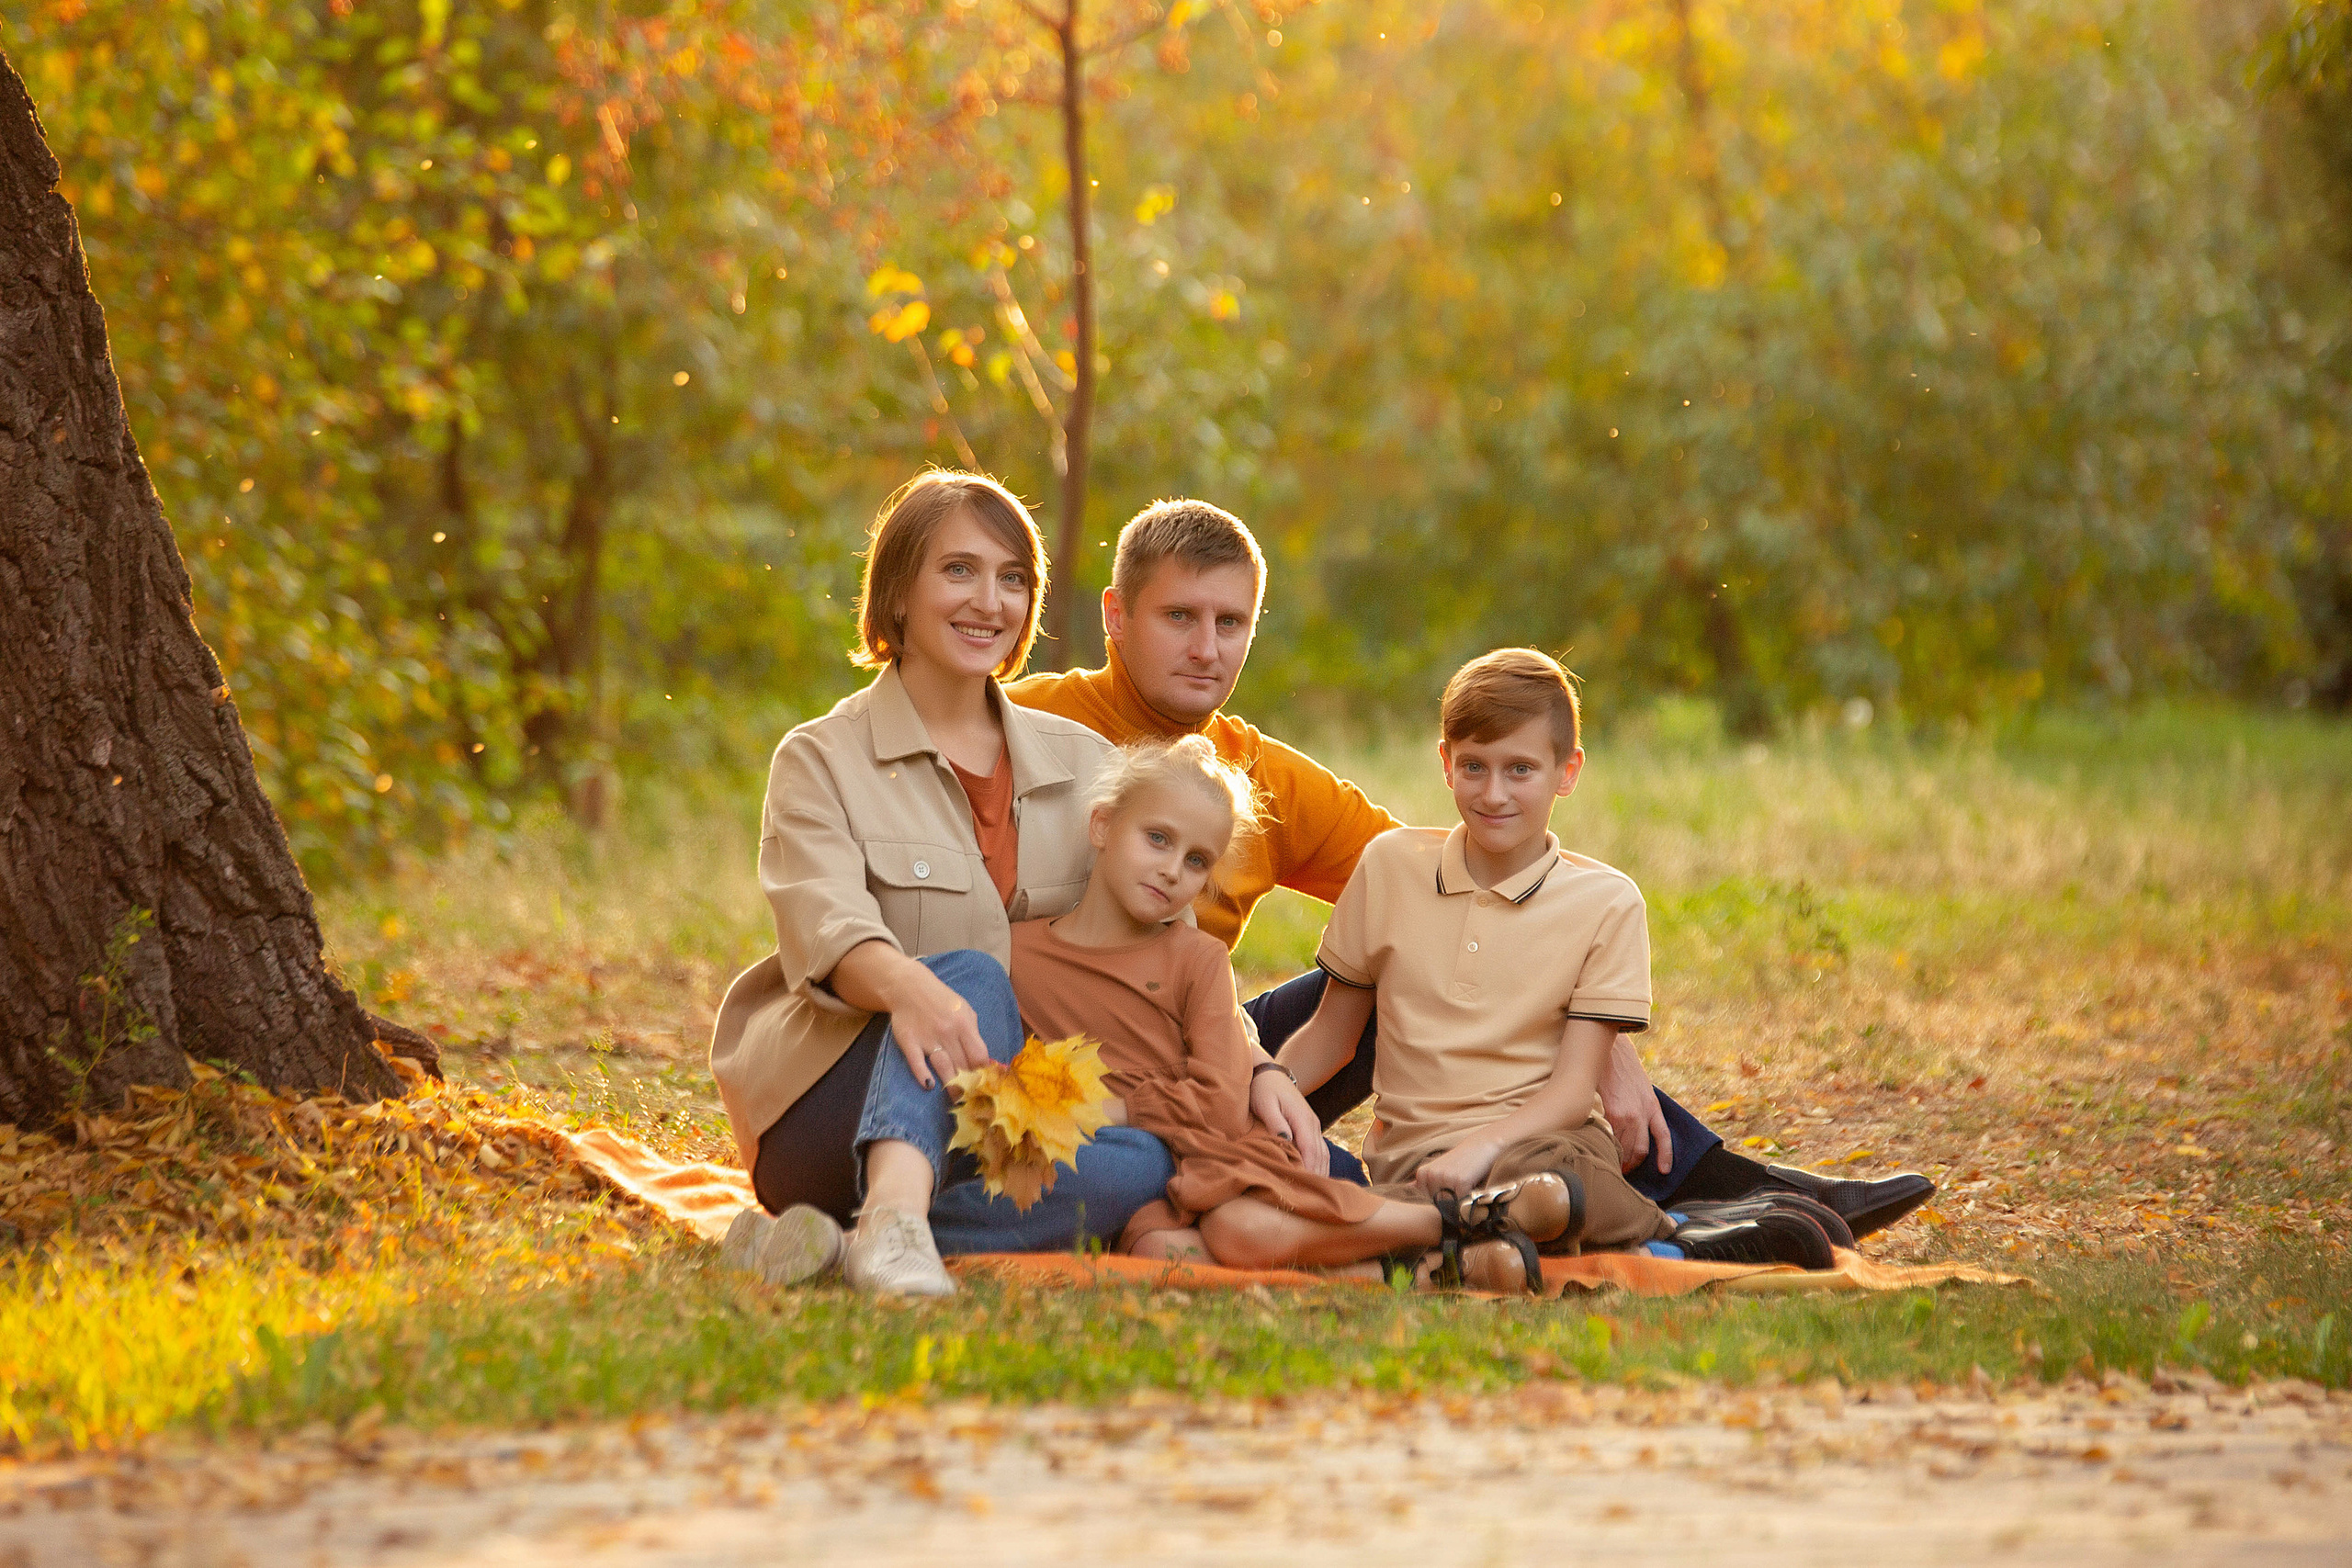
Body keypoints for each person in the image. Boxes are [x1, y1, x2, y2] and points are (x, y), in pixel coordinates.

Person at [1009, 500, 1935, 1235]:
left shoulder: (1258, 770)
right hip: (1064, 1037)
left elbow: (1450, 892)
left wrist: (1607, 1048)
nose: (1206, 649)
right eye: (1178, 618)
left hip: (1213, 1037)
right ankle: (1550, 1214)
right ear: (1115, 616)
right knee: (1327, 1190)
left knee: (1410, 969)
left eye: (1230, 622)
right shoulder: (1027, 725)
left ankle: (1711, 1183)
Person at [707, 471, 1175, 1298]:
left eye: (1012, 578)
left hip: (995, 1105)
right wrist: (910, 989)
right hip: (829, 1108)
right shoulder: (821, 757)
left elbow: (1156, 941)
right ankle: (887, 1214)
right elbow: (827, 923)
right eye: (958, 570)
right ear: (897, 592)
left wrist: (1260, 1068)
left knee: (1138, 1157)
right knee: (968, 974)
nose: (988, 600)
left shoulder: (1086, 764)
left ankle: (844, 1243)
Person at [1273, 649, 1849, 1278]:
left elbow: (1574, 1089)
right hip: (1415, 1167)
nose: (1493, 793)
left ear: (1566, 771)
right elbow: (1331, 1034)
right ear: (1445, 763)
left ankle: (1654, 1244)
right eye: (1474, 766)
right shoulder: (1389, 866)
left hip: (1543, 1146)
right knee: (1308, 1206)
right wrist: (1258, 1097)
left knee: (1551, 1184)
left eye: (1520, 769)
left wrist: (1481, 1148)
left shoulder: (1606, 902)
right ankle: (1600, 1241)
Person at [1010, 734, 1575, 1287]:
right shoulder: (1019, 954)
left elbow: (1223, 1096)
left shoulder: (1197, 958)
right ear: (1102, 825)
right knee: (1159, 1250)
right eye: (1156, 839)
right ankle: (1431, 1269)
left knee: (1238, 1231)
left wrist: (1116, 1111)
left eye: (1197, 860)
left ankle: (1460, 1218)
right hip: (1138, 1173)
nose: (1171, 870)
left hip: (1221, 1152)